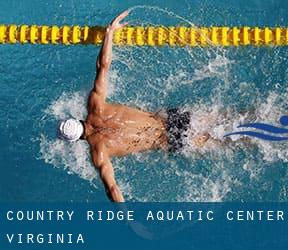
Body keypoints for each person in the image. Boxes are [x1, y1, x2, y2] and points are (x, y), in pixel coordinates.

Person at [58, 11, 210, 202]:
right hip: (172, 118)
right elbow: (103, 66)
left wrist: (128, 221)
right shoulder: (95, 105)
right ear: (76, 119)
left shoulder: (99, 152)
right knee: (226, 118)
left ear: (76, 140)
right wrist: (109, 33)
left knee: (228, 141)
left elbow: (112, 189)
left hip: (171, 140)